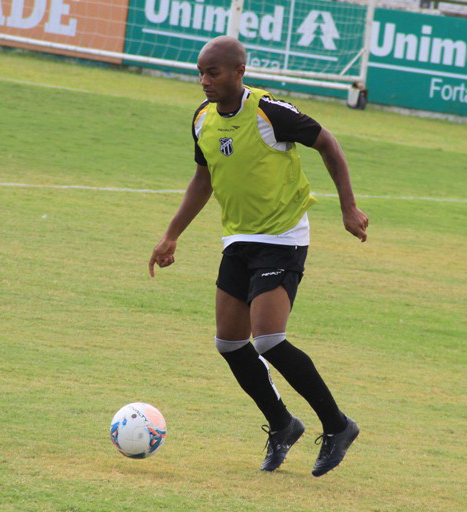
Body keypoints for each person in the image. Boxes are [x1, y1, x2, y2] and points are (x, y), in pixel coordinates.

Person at [149, 37, 368, 477]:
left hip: (283, 236)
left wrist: (348, 207)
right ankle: (283, 424)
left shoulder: (270, 112)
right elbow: (204, 179)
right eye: (200, 72)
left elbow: (328, 143)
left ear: (239, 72)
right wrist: (171, 235)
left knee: (268, 339)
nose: (204, 81)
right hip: (239, 239)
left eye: (213, 73)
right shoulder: (203, 119)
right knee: (229, 343)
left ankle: (338, 425)